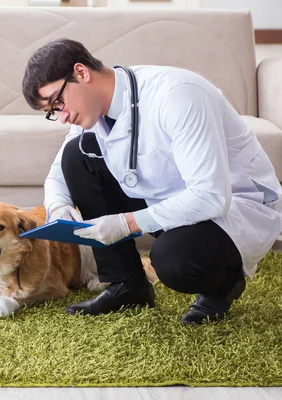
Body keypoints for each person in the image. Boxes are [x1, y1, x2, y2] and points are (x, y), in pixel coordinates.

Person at [22, 38, 282, 324]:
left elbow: (212, 196)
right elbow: (58, 172)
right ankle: (128, 284)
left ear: (81, 73)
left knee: (173, 259)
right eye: (51, 112)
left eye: (57, 102)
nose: (61, 117)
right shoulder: (94, 112)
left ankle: (223, 285)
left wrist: (127, 223)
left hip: (235, 207)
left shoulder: (177, 95)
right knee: (77, 155)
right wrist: (59, 208)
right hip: (169, 199)